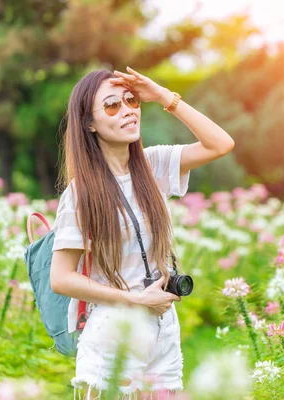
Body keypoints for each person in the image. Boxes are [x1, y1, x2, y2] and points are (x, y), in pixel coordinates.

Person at [49, 67, 235, 399]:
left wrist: (165, 96)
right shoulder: (81, 193)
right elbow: (61, 278)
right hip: (113, 332)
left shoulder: (154, 166)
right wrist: (134, 299)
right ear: (89, 124)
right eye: (111, 106)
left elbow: (221, 143)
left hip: (163, 329)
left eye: (131, 101)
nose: (127, 111)